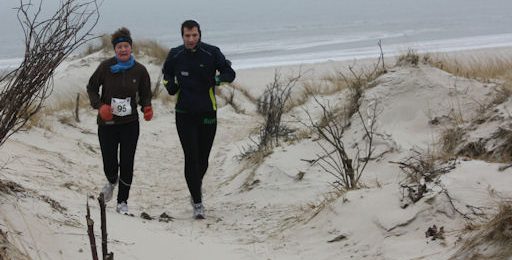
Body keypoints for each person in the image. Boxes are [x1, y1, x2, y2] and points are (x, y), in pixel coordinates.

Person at [162, 20, 235, 219]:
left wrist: (218, 80)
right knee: (191, 157)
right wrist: (171, 86)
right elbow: (166, 73)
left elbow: (230, 73)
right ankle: (197, 202)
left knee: (202, 160)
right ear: (182, 35)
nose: (191, 39)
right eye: (187, 35)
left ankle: (195, 187)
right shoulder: (175, 54)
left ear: (199, 34)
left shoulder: (212, 53)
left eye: (194, 35)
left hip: (207, 112)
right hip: (184, 113)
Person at [87, 27, 153, 215]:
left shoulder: (140, 70)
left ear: (131, 48)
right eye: (119, 47)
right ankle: (111, 180)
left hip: (130, 124)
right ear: (114, 50)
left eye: (126, 46)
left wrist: (146, 107)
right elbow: (91, 87)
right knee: (110, 162)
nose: (123, 50)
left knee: (127, 162)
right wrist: (100, 106)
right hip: (107, 124)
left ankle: (122, 201)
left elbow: (146, 93)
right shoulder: (105, 67)